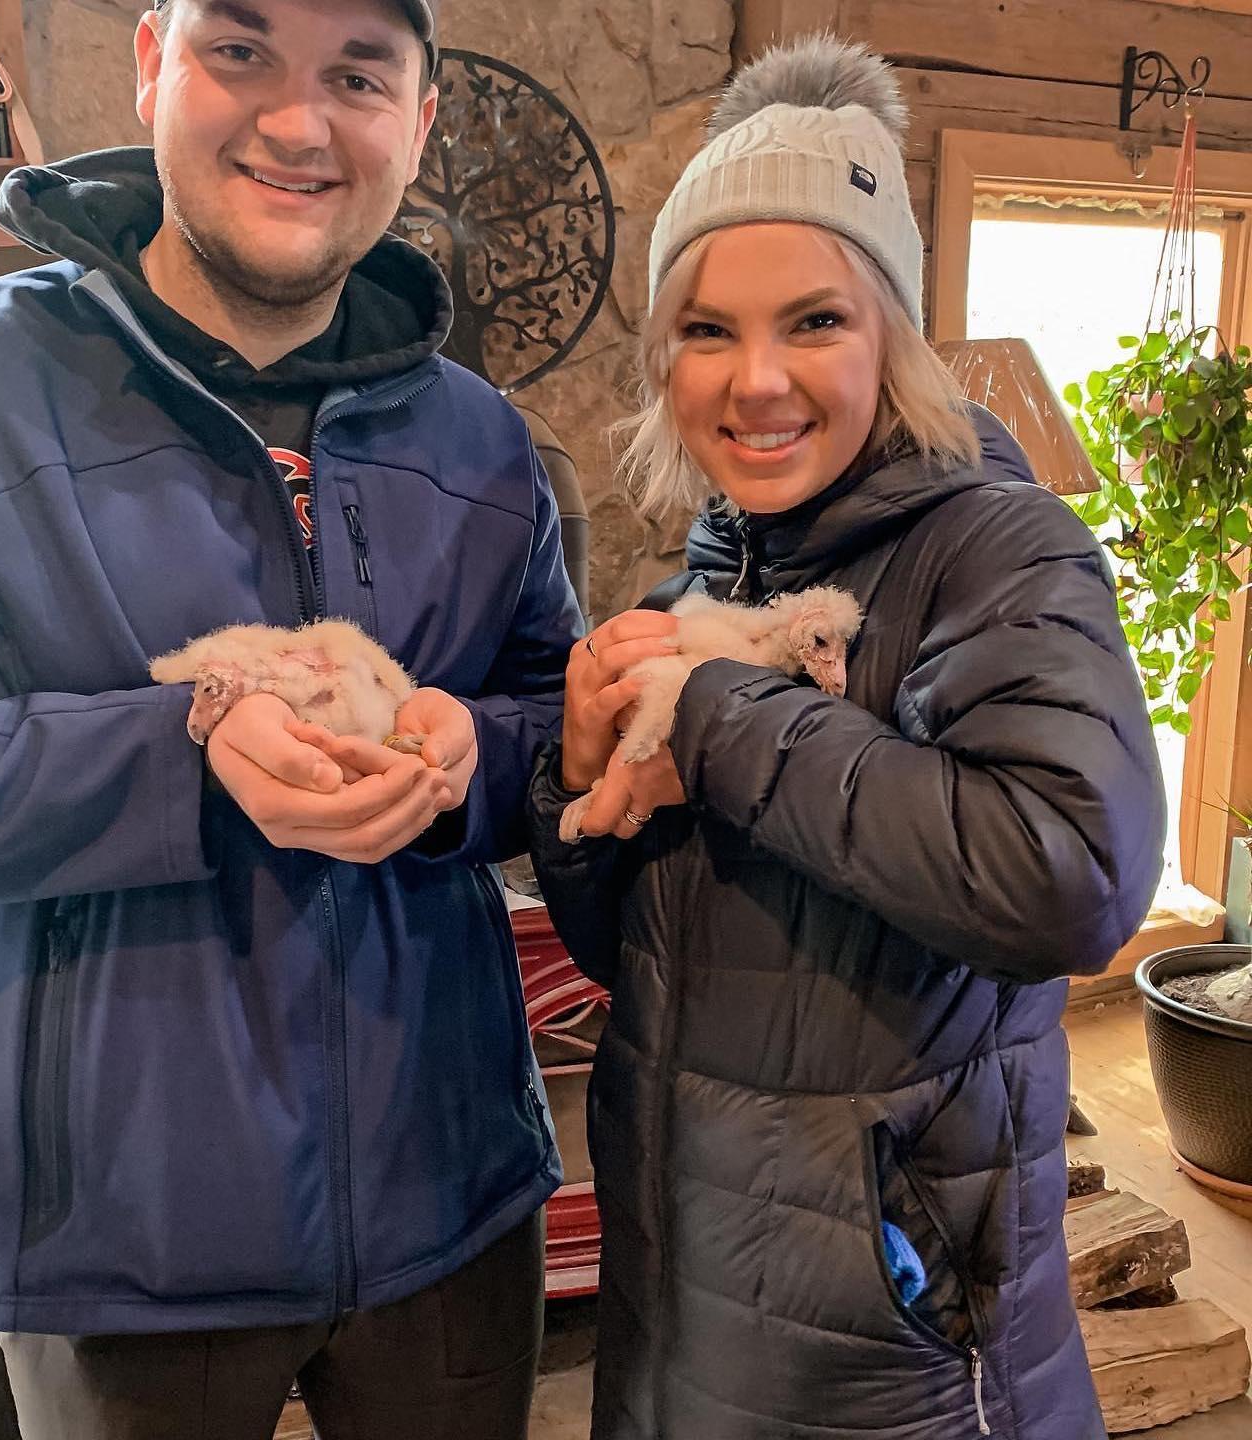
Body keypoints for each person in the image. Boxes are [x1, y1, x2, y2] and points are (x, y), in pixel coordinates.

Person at [0, 0, 581, 1435]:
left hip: (452, 1201)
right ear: (153, 62)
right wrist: (183, 757)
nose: (297, 121)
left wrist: (479, 761)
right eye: (243, 52)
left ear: (416, 124)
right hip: (110, 1245)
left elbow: (556, 731)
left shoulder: (484, 440)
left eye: (358, 75)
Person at [527, 35, 1165, 1440]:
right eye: (708, 329)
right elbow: (634, 954)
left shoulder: (997, 549)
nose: (757, 380)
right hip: (680, 1304)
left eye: (812, 321)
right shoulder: (697, 582)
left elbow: (1071, 872)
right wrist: (576, 783)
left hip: (895, 1353)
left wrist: (716, 714)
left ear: (890, 332)